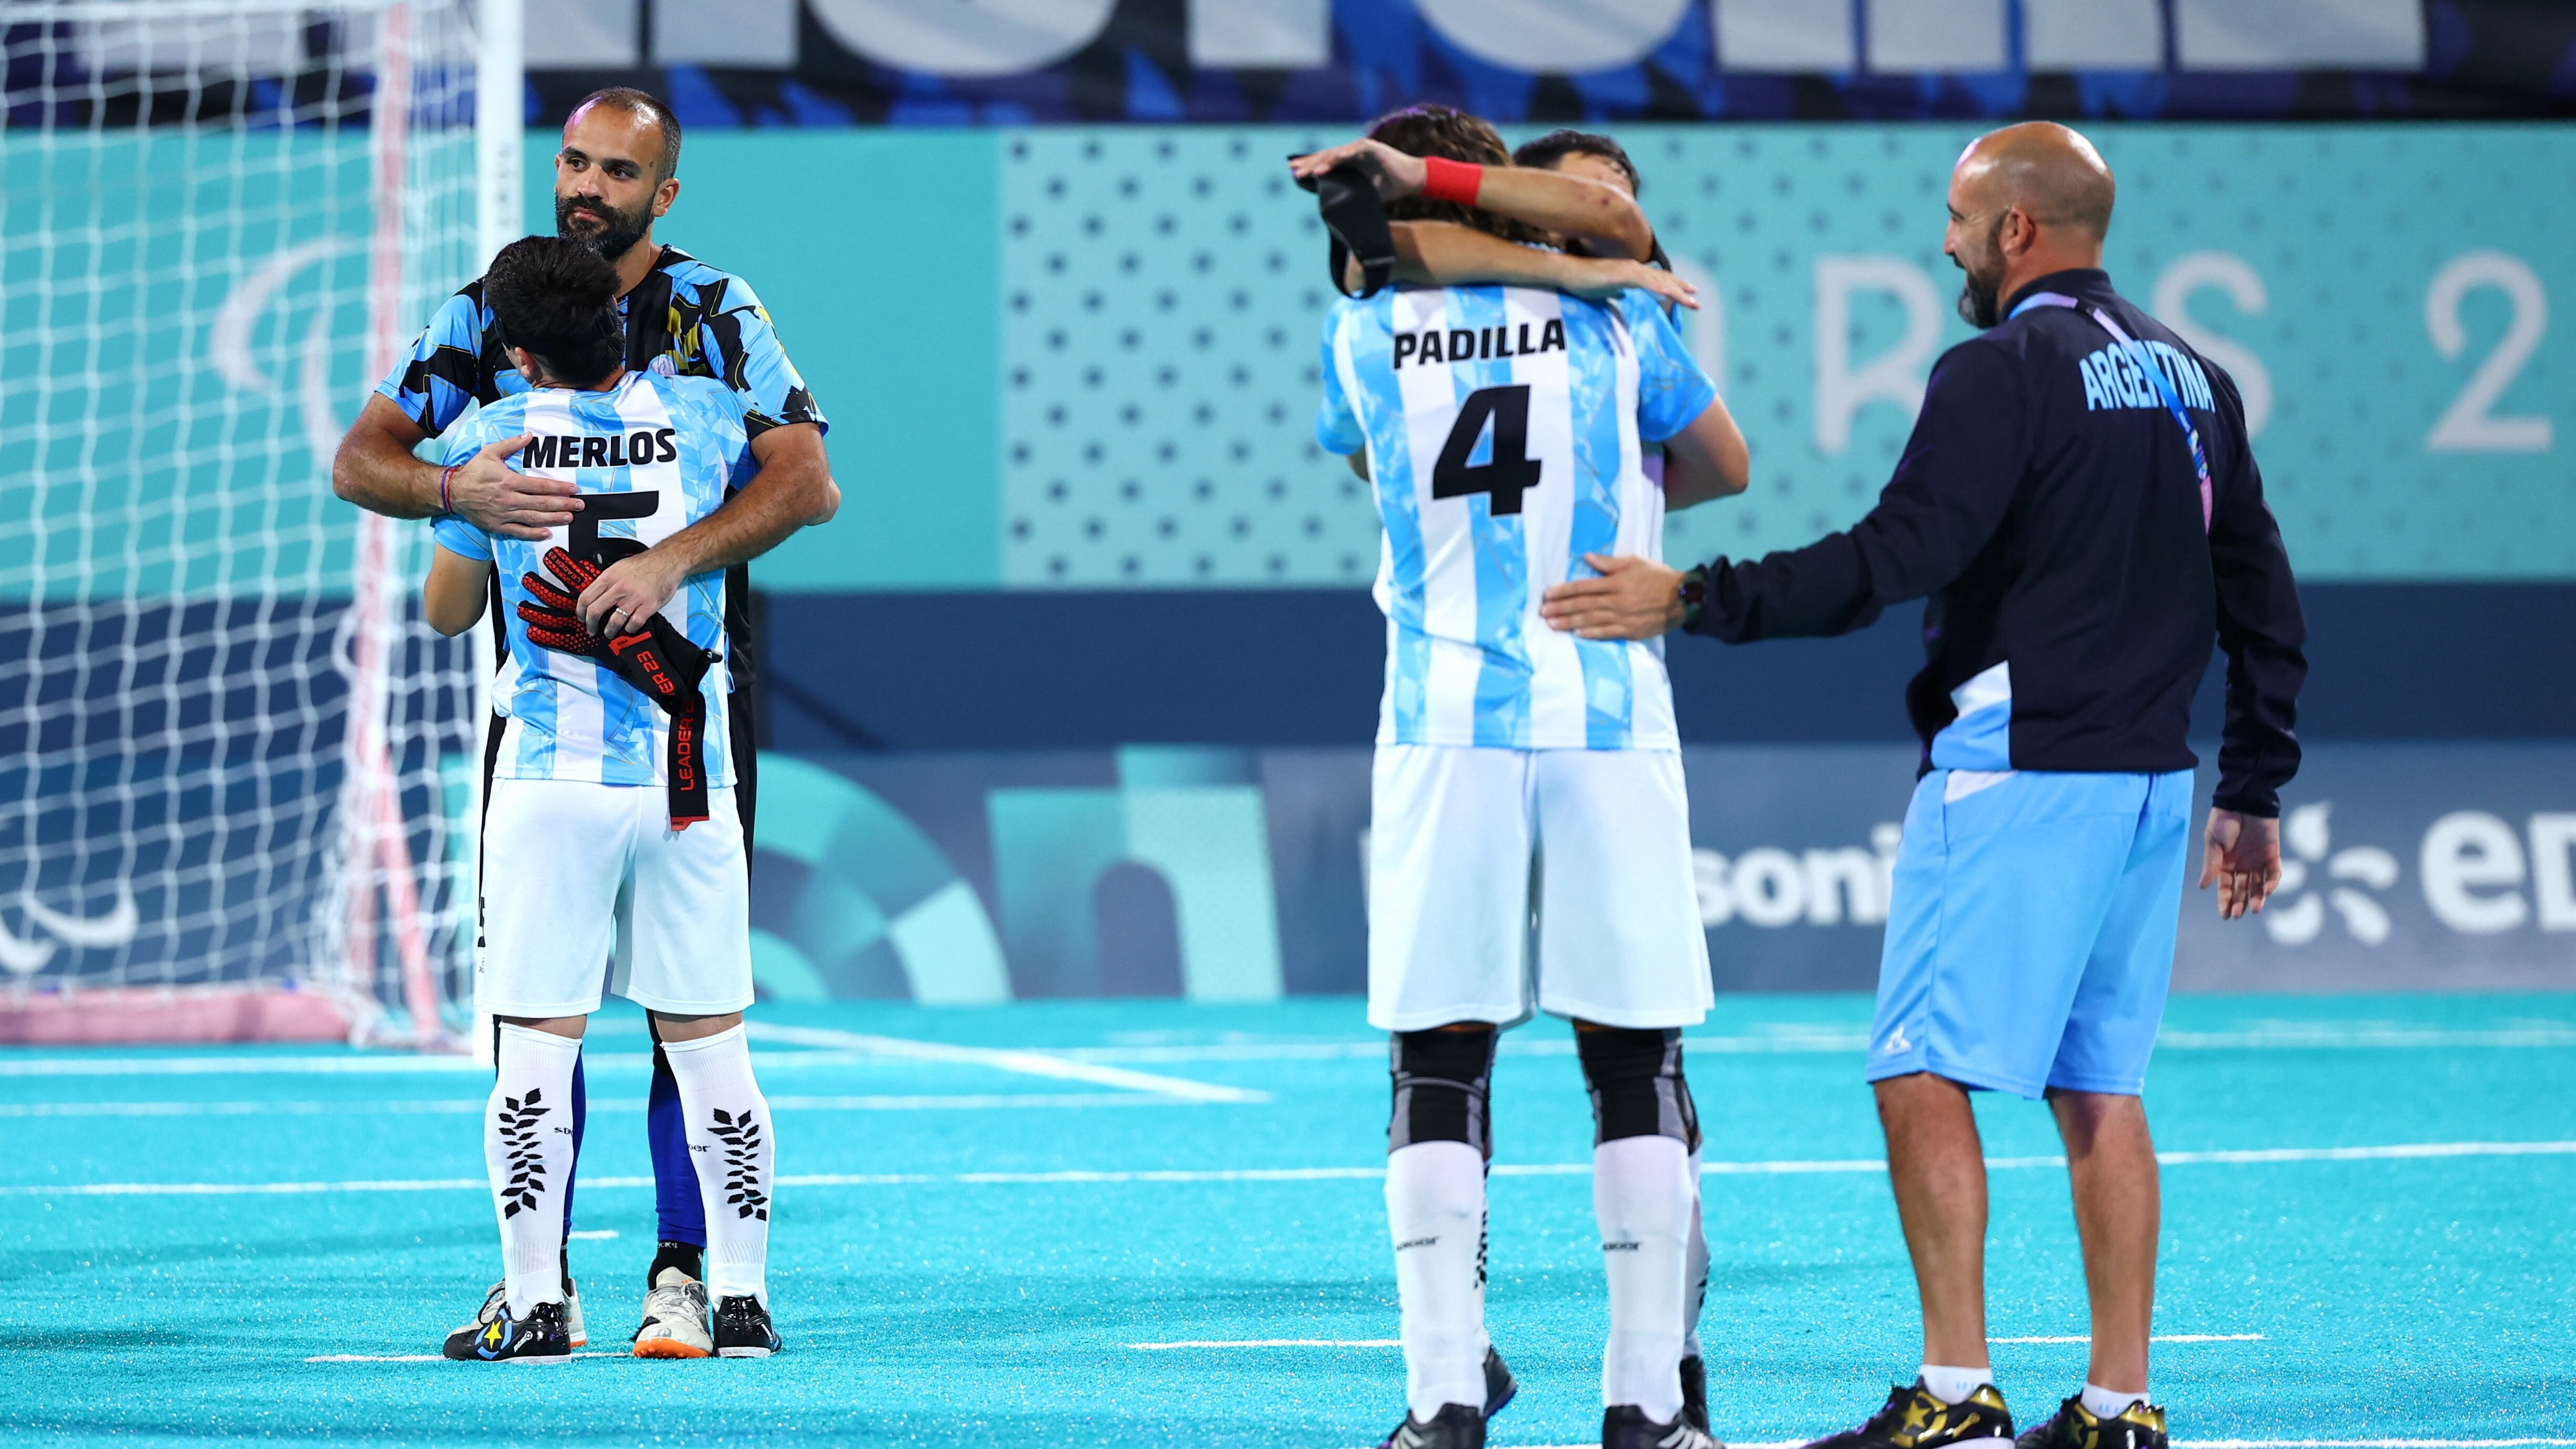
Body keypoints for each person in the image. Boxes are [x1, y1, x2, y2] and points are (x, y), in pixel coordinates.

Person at [1538, 122, 2307, 1449]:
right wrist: (2253, 781)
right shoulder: (2192, 378)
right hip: (2148, 779)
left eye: (1958, 218)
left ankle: (1955, 1398)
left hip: (2017, 768)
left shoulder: (2000, 368)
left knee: (1916, 1069)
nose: (1943, 240)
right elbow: (2259, 586)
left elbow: (1896, 554)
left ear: (2016, 229)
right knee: (2102, 1091)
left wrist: (1697, 600)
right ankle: (2120, 1408)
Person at [331, 87, 834, 1359]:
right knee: (700, 1016)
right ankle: (724, 1288)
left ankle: (625, 1279)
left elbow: (809, 482)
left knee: (551, 1022)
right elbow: (368, 454)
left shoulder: (715, 310)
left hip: (627, 723)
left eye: (616, 171)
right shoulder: (511, 327)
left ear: (663, 196)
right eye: (572, 161)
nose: (586, 186)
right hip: (672, 747)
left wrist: (653, 561)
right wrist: (452, 487)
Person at [1293, 104, 1752, 1449]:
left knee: (1436, 1058)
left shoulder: (1359, 338)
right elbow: (1724, 464)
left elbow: (1370, 456)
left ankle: (1441, 1400)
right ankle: (1648, 1403)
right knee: (1632, 1057)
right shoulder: (1624, 328)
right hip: (1604, 712)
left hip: (1442, 724)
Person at [422, 234, 781, 1363]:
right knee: (713, 1049)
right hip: (689, 780)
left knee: (533, 1048)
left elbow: (444, 611)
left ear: (520, 352)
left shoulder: (491, 438)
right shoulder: (712, 418)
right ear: (620, 323)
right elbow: (796, 488)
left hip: (551, 785)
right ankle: (739, 1302)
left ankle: (535, 1307)